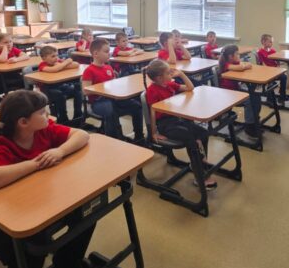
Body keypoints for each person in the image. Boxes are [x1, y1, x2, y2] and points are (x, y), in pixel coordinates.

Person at [0, 90, 93, 268]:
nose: (48, 114)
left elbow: (82, 135)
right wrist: (36, 164)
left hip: (41, 205)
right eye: (42, 112)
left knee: (88, 213)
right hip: (7, 223)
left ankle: (66, 263)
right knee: (34, 251)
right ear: (23, 122)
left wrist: (59, 151)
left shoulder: (43, 131)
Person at [145, 59, 217, 190]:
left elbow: (190, 88)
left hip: (177, 120)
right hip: (165, 125)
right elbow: (153, 111)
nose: (171, 74)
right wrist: (154, 132)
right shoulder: (152, 90)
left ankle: (199, 162)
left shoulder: (170, 85)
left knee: (203, 133)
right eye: (168, 73)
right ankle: (200, 176)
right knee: (192, 140)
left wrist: (182, 74)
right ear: (159, 77)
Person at [82, 39, 144, 142]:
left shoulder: (108, 67)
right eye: (106, 51)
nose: (109, 53)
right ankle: (114, 139)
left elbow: (114, 85)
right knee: (110, 109)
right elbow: (85, 91)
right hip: (98, 102)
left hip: (113, 99)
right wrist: (104, 88)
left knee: (136, 106)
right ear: (96, 54)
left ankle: (139, 137)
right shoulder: (89, 70)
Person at [218, 45, 262, 142]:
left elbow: (244, 64)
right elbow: (241, 67)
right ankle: (249, 126)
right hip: (228, 94)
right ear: (230, 56)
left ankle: (254, 121)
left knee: (256, 95)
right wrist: (244, 66)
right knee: (249, 100)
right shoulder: (226, 65)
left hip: (236, 91)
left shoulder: (234, 62)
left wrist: (244, 65)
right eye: (237, 54)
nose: (239, 55)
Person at [37, 46, 83, 125]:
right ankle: (63, 118)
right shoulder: (42, 65)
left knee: (77, 90)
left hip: (61, 86)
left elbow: (76, 64)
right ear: (44, 58)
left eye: (57, 55)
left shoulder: (58, 61)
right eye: (53, 56)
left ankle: (78, 115)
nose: (56, 58)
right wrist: (65, 62)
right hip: (47, 90)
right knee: (59, 95)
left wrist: (61, 66)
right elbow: (54, 69)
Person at [0, 33, 29, 111]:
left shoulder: (14, 50)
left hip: (13, 76)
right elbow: (2, 59)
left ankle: (26, 106)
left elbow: (26, 56)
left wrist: (16, 59)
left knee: (27, 83)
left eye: (10, 41)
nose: (9, 44)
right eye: (5, 42)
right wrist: (4, 49)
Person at [257, 33, 289, 106]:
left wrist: (278, 68)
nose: (272, 43)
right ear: (263, 42)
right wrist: (271, 71)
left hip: (274, 71)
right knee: (271, 81)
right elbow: (262, 65)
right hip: (267, 71)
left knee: (284, 77)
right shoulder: (260, 52)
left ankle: (282, 95)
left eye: (272, 42)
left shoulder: (273, 51)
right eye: (270, 42)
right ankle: (269, 99)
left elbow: (277, 62)